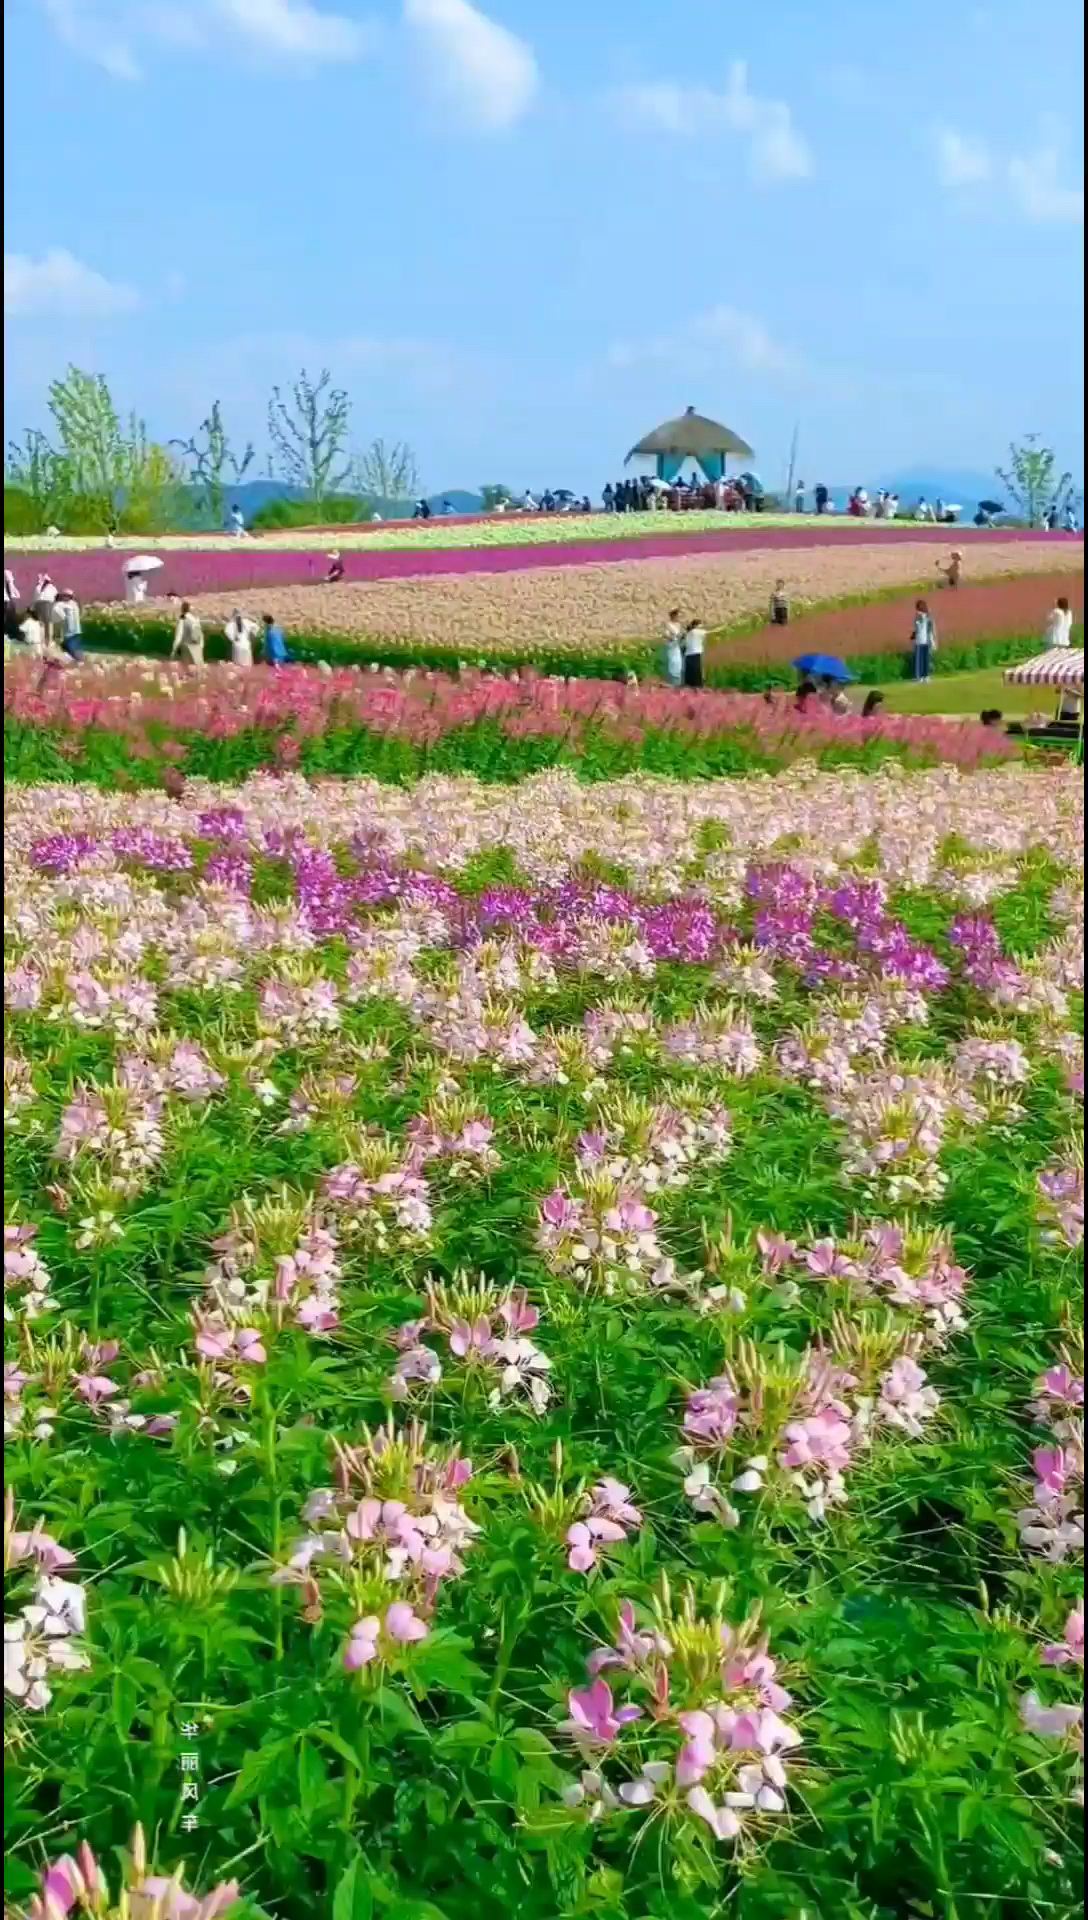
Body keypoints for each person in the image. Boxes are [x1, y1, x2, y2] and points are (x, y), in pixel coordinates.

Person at [172, 601, 205, 667]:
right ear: (189, 609)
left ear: (182, 609)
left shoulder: (182, 617)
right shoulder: (194, 618)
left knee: (186, 671)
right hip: (197, 646)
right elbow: (200, 634)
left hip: (187, 646)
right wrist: (201, 647)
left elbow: (179, 634)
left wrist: (174, 649)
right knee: (198, 671)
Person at [911, 600, 937, 681]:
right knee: (920, 660)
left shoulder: (927, 618)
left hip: (925, 641)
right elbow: (916, 628)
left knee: (925, 660)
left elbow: (931, 629)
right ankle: (921, 677)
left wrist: (933, 641)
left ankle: (925, 676)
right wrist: (912, 637)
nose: (917, 611)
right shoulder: (917, 618)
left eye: (918, 609)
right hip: (919, 641)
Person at [55, 589, 84, 661]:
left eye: (68, 596)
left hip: (73, 631)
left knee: (71, 647)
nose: (65, 597)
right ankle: (76, 660)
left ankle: (77, 660)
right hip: (71, 631)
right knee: (70, 646)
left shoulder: (70, 604)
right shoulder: (64, 604)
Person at [662, 609, 685, 687]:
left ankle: (677, 683)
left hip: (677, 646)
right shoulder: (668, 624)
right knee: (673, 662)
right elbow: (665, 635)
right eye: (677, 616)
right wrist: (672, 637)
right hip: (671, 646)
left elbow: (681, 634)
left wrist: (682, 637)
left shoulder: (679, 625)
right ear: (673, 616)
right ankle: (671, 682)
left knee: (678, 663)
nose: (678, 617)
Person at [682, 618, 706, 689]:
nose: (702, 625)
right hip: (696, 652)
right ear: (696, 625)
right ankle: (697, 686)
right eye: (700, 624)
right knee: (697, 670)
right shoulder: (698, 631)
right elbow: (714, 631)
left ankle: (689, 685)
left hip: (688, 654)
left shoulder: (688, 633)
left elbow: (684, 644)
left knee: (690, 671)